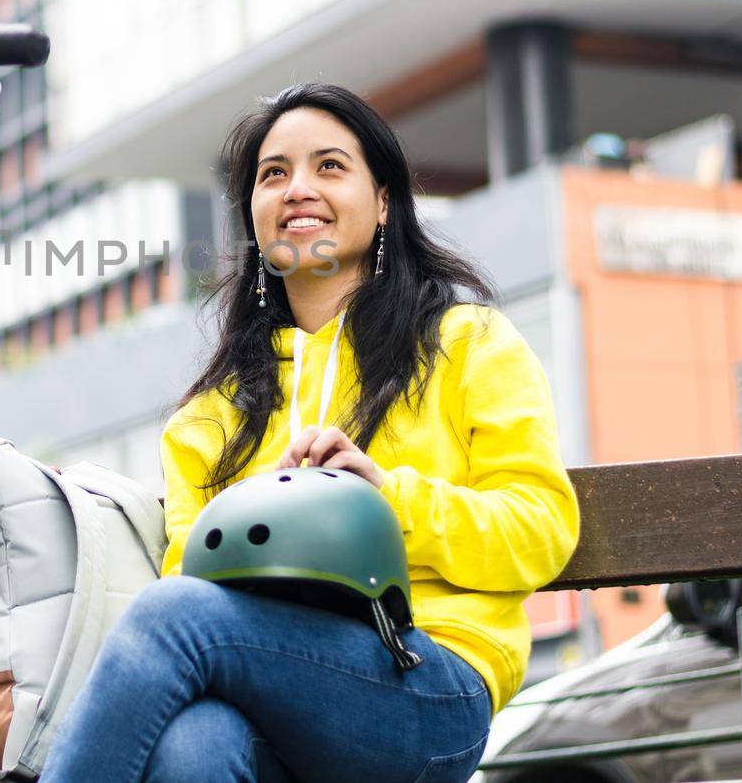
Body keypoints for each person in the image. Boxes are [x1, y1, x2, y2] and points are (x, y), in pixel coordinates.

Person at [41, 83, 580, 783]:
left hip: (427, 688)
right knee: (195, 747)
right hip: (265, 702)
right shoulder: (209, 418)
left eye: (329, 166)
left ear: (383, 201)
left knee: (171, 615)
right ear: (254, 216)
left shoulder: (469, 345)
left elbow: (540, 530)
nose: (298, 188)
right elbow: (194, 581)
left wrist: (390, 502)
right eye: (274, 174)